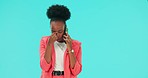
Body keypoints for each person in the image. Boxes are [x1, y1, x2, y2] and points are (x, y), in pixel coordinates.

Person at [39, 4, 82, 78]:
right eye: (53, 31)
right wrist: (50, 44)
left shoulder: (76, 45)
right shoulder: (44, 41)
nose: (57, 34)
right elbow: (44, 67)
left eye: (60, 31)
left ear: (65, 29)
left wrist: (70, 48)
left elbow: (76, 71)